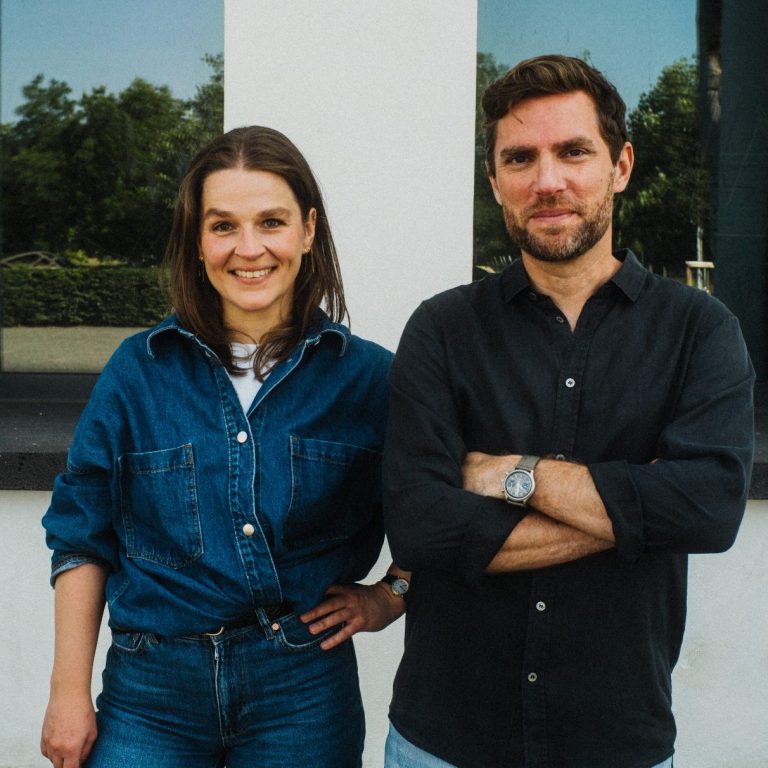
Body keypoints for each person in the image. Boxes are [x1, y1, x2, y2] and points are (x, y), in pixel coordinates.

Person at [382, 55, 754, 768]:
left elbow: (707, 510)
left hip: (617, 741)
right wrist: (638, 506)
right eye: (520, 158)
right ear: (495, 182)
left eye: (573, 151)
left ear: (621, 165)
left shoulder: (699, 331)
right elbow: (421, 527)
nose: (547, 180)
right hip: (444, 742)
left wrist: (510, 475)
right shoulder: (442, 329)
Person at [40, 125, 407, 768]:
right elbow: (81, 534)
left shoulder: (369, 379)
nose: (249, 248)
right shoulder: (137, 372)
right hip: (151, 694)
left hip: (301, 695)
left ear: (308, 231)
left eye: (271, 222)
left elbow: (439, 506)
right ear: (198, 241)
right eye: (223, 226)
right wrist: (67, 693)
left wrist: (391, 595)